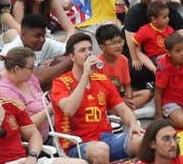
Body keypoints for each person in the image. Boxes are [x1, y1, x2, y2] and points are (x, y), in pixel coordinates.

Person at [52, 32, 145, 164]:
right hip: (76, 144)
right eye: (82, 50)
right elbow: (69, 109)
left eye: (90, 49)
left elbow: (123, 109)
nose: (88, 53)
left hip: (105, 138)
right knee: (101, 150)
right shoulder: (61, 82)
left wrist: (133, 124)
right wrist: (85, 75)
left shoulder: (102, 79)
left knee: (144, 139)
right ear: (72, 57)